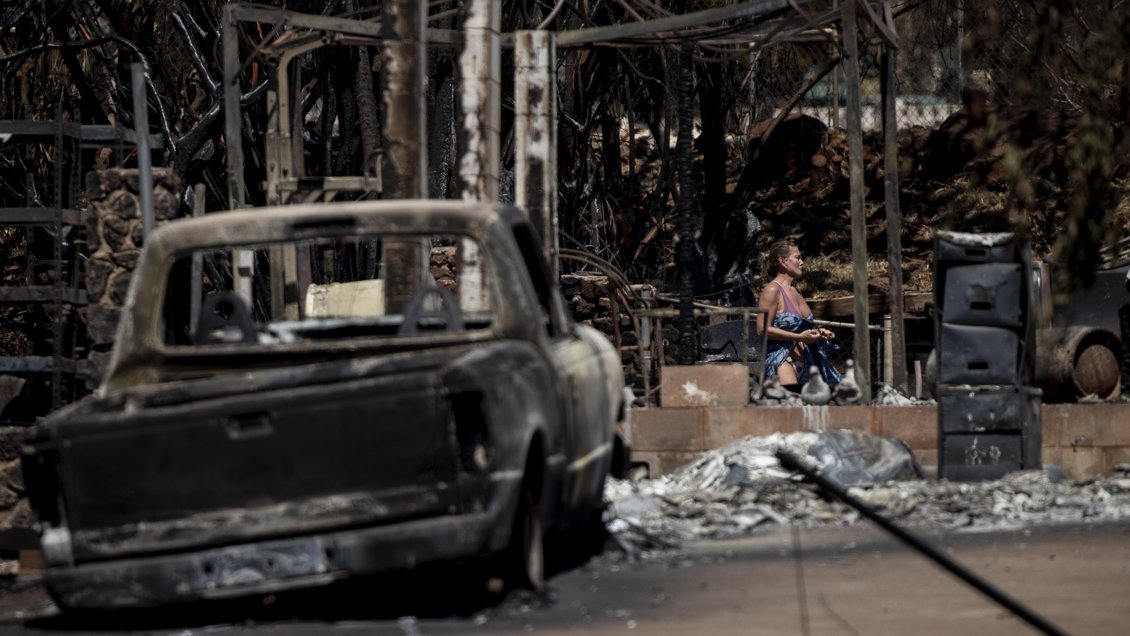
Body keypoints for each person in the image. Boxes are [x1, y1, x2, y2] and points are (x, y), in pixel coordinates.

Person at [756, 240, 842, 387]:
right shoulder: (772, 290)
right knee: (793, 406)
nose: (802, 262)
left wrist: (818, 332)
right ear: (783, 261)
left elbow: (800, 327)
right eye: (797, 258)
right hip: (782, 359)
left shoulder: (796, 291)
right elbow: (762, 329)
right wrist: (798, 337)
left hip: (807, 359)